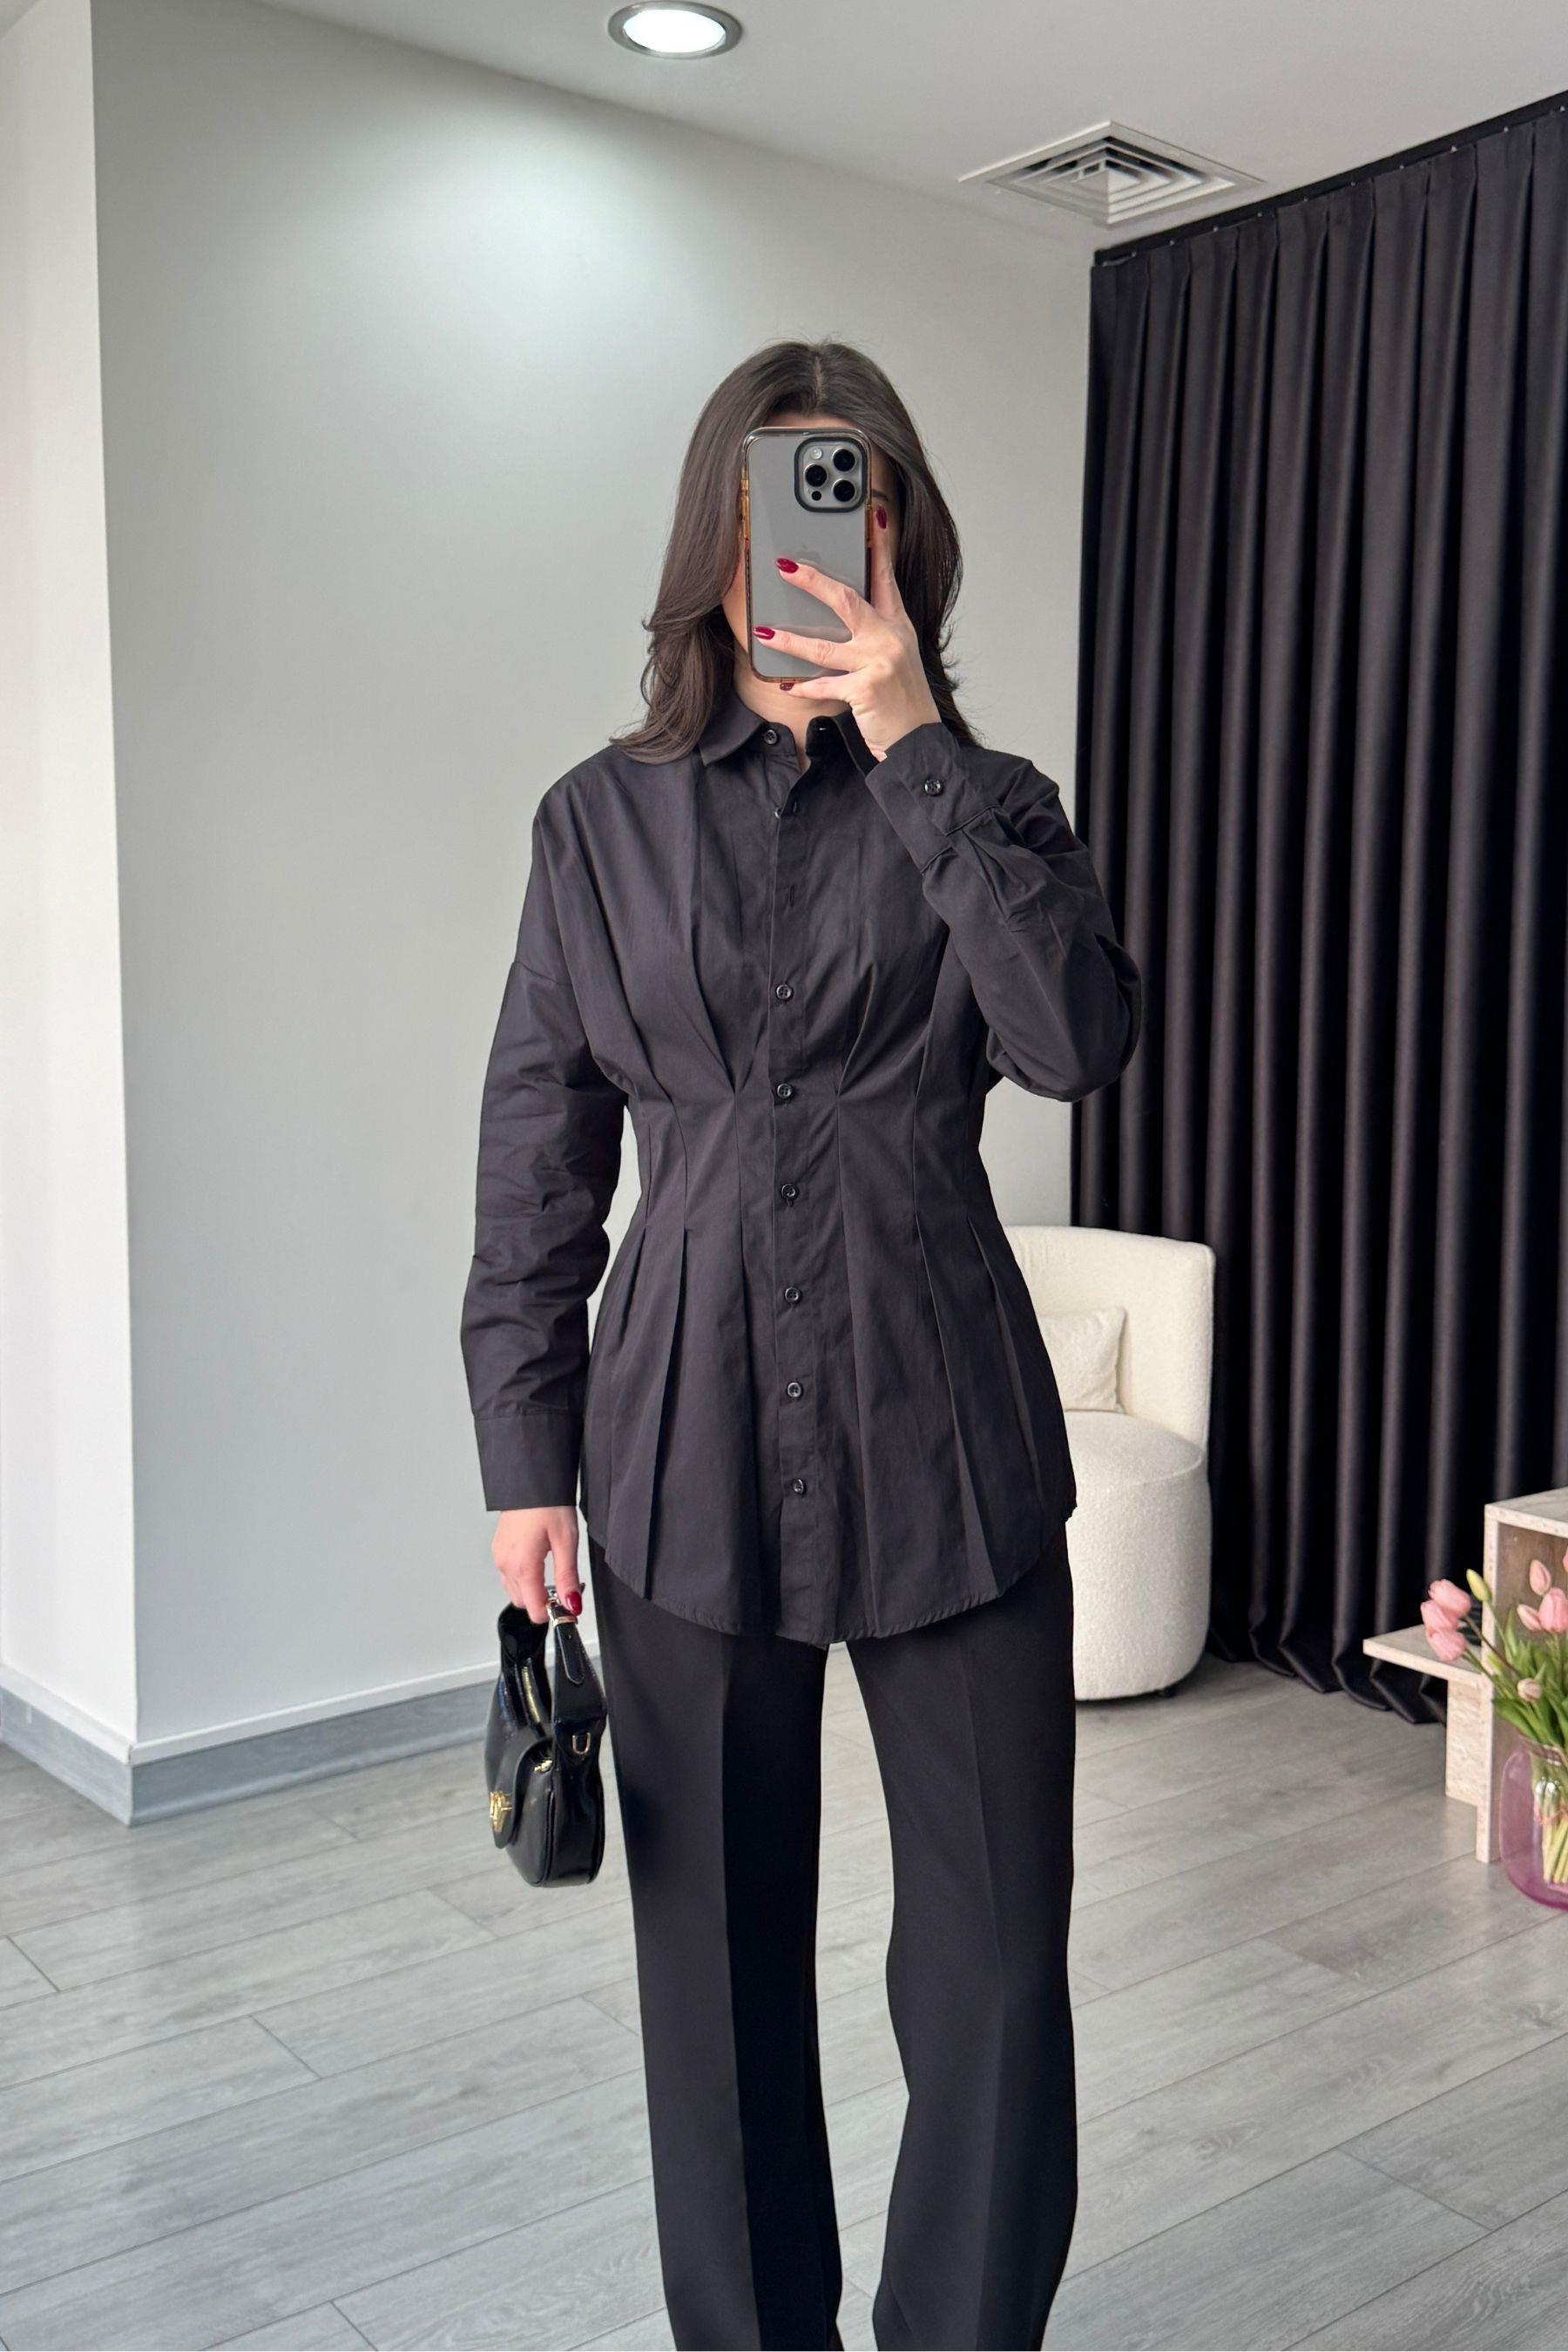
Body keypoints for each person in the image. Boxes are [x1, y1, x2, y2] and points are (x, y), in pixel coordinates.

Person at [460, 339, 1142, 2352]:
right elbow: (538, 1151)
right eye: (789, 499)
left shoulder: (992, 806)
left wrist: (912, 738)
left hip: (950, 1434)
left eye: (865, 497)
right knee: (720, 1985)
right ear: (723, 535)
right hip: (680, 1443)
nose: (828, 541)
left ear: (905, 537)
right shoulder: (595, 826)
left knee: (996, 1973)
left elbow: (1074, 1045)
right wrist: (521, 1454)